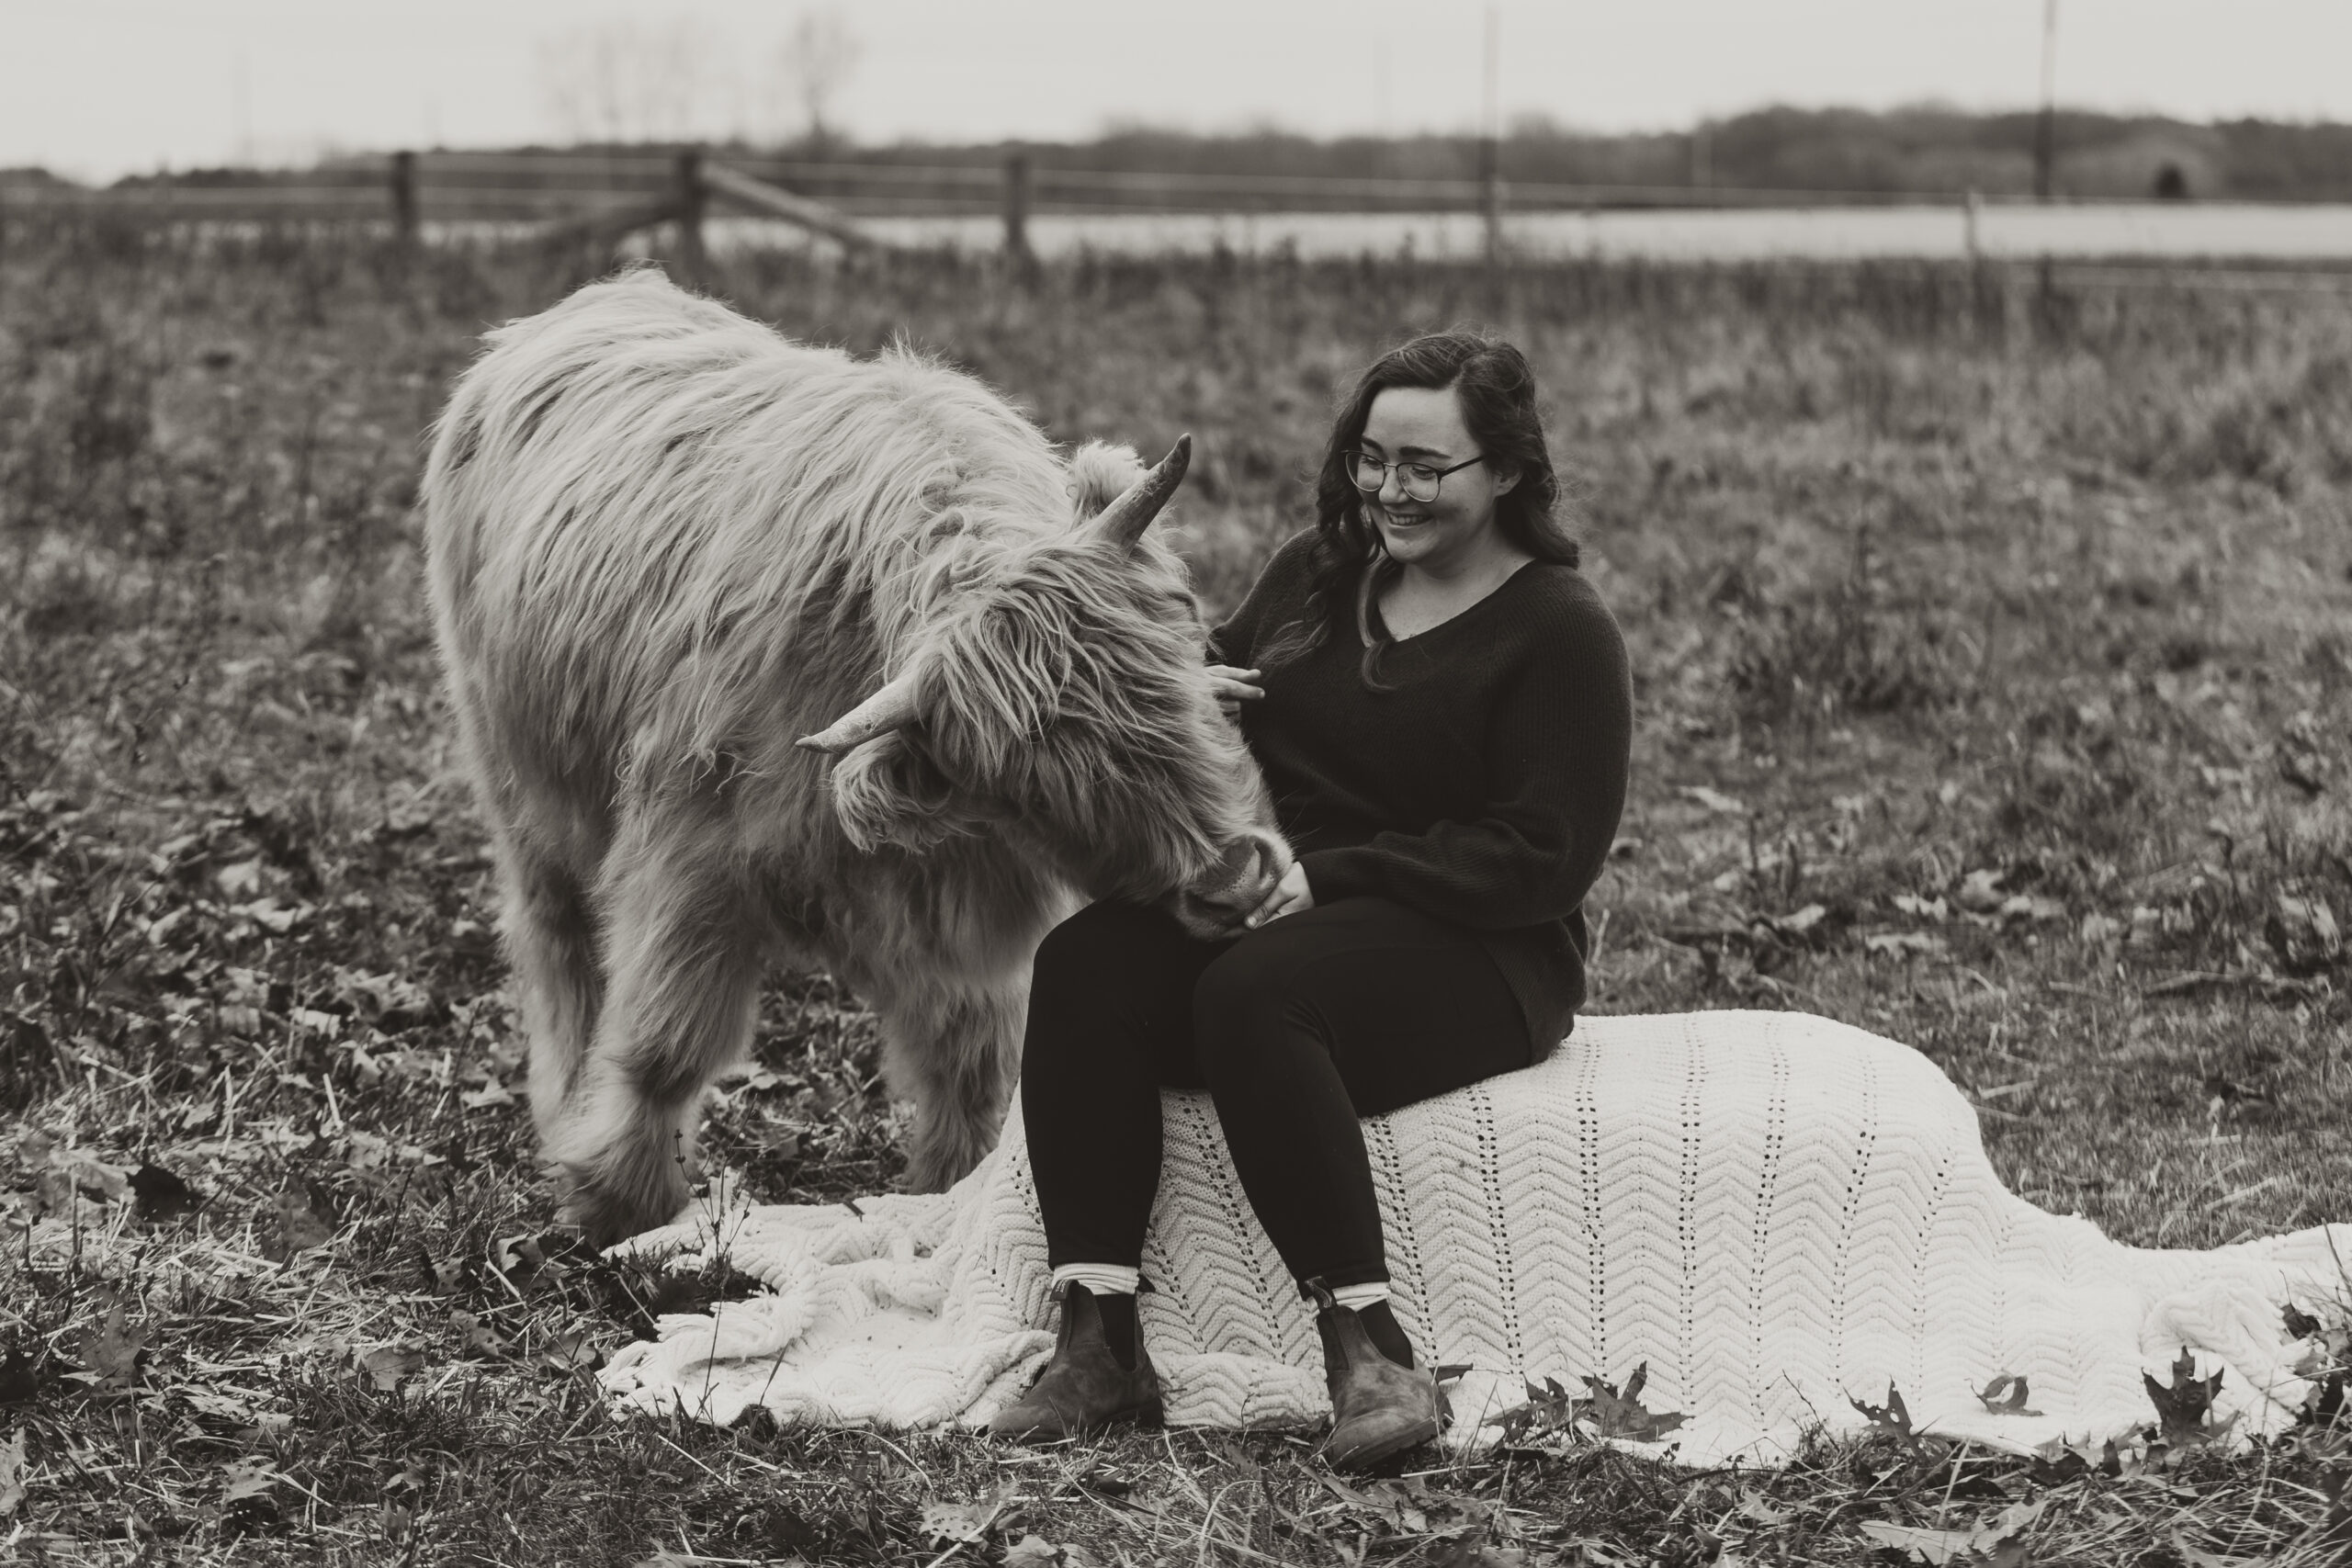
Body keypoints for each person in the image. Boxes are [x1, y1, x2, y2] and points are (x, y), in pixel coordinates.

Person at [990, 329, 1634, 1469]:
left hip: (1479, 946)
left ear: (1508, 472)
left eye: (1426, 466)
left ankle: (1371, 1353)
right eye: (1370, 457)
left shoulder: (1559, 632)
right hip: (1287, 904)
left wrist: (1321, 878)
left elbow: (1543, 855)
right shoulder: (1316, 575)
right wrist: (1193, 687)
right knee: (1086, 961)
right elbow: (1228, 670)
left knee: (1253, 994)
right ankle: (1100, 1344)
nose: (1389, 489)